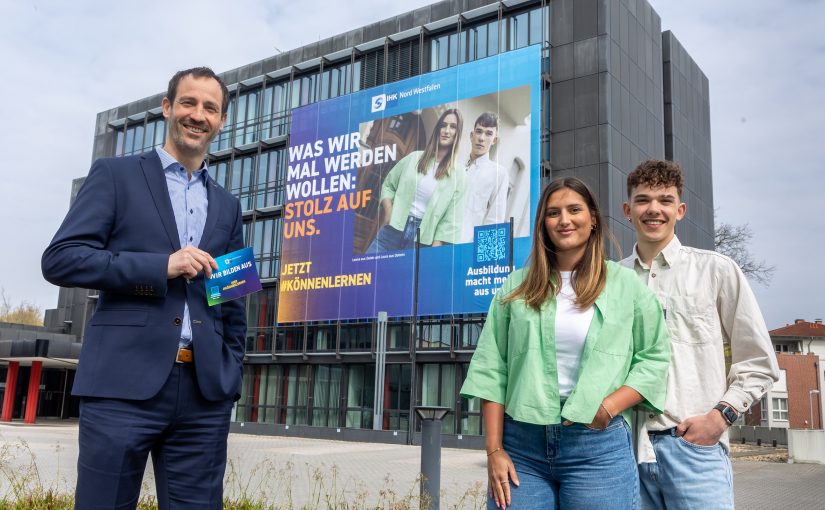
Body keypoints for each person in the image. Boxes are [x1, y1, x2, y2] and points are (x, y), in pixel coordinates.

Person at [42, 67, 245, 509]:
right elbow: (61, 258)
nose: (198, 115)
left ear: (222, 120)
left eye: (210, 108)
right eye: (188, 103)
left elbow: (232, 295)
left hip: (204, 394)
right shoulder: (116, 176)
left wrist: (231, 369)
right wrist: (161, 266)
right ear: (168, 108)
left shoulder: (229, 206)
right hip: (121, 386)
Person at [461, 177, 671, 510]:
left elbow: (654, 359)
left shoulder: (625, 285)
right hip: (521, 447)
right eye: (553, 212)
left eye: (574, 210)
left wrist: (609, 407)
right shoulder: (514, 288)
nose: (564, 220)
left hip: (597, 446)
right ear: (543, 224)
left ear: (593, 220)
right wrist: (494, 450)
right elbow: (491, 370)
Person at [621, 160, 779, 509]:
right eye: (643, 199)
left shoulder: (716, 271)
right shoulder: (609, 280)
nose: (653, 209)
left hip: (694, 451)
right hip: (624, 454)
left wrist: (720, 417)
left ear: (680, 210)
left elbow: (759, 360)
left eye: (664, 200)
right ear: (627, 209)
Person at [368, 108, 464, 252]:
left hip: (421, 243)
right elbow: (388, 185)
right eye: (443, 125)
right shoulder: (414, 158)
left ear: (458, 133)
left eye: (453, 127)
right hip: (392, 231)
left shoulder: (459, 175)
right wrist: (388, 211)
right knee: (368, 272)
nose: (446, 130)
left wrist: (434, 249)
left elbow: (451, 219)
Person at [460, 112, 509, 243]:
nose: (481, 138)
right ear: (472, 135)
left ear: (494, 140)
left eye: (488, 133)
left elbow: (495, 220)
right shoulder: (455, 165)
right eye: (479, 131)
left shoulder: (499, 174)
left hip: (467, 245)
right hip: (438, 243)